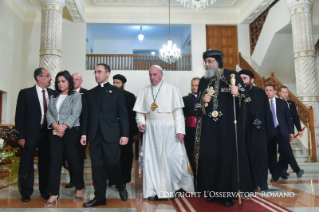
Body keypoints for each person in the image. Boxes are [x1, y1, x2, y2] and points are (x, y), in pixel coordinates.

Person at [195, 50, 253, 207]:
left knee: (226, 158)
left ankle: (227, 194)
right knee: (210, 157)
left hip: (227, 126)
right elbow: (196, 107)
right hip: (209, 127)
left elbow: (247, 100)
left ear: (219, 62)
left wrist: (238, 92)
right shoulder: (203, 81)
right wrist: (202, 100)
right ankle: (212, 191)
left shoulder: (232, 76)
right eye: (206, 62)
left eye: (210, 61)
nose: (207, 64)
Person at [133, 65, 194, 201]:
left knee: (175, 159)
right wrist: (140, 123)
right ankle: (155, 190)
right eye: (150, 75)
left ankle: (175, 186)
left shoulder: (172, 89)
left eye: (155, 75)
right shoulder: (144, 91)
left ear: (161, 75)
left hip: (170, 128)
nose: (152, 77)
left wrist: (180, 130)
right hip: (151, 129)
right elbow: (139, 112)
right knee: (152, 160)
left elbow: (178, 112)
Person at [80, 63, 129, 207]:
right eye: (95, 72)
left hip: (112, 135)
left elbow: (123, 115)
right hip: (95, 136)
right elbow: (86, 116)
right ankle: (99, 197)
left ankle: (120, 186)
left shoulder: (117, 92)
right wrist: (84, 134)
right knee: (97, 167)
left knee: (113, 164)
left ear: (107, 74)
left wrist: (125, 134)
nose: (96, 75)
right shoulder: (90, 93)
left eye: (99, 72)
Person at [44, 70, 85, 206]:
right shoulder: (53, 97)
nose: (60, 84)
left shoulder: (75, 96)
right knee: (55, 162)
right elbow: (49, 113)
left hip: (71, 131)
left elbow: (75, 113)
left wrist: (64, 127)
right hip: (55, 132)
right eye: (58, 82)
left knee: (73, 161)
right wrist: (56, 126)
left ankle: (79, 188)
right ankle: (54, 193)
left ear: (69, 82)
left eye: (63, 81)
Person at [15, 68, 53, 202]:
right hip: (29, 135)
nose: (50, 78)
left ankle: (45, 190)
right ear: (39, 77)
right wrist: (20, 136)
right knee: (26, 163)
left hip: (48, 135)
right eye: (48, 76)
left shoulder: (53, 93)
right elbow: (20, 116)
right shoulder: (25, 93)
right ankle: (26, 192)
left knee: (46, 163)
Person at [239, 69, 275, 191]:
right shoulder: (236, 93)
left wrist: (270, 132)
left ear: (252, 80)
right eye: (241, 78)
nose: (242, 81)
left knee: (261, 157)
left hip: (259, 131)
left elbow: (267, 112)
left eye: (245, 78)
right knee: (247, 159)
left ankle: (262, 183)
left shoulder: (260, 93)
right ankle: (251, 184)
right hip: (243, 132)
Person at [265, 85, 304, 181]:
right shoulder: (263, 103)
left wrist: (291, 132)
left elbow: (289, 119)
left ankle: (290, 171)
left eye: (270, 90)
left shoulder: (282, 103)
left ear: (275, 92)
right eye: (266, 90)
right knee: (271, 154)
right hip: (269, 131)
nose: (268, 92)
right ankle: (275, 174)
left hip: (281, 130)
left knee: (286, 151)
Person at [110, 74, 139, 187]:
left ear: (123, 84)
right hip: (112, 132)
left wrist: (135, 132)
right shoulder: (109, 95)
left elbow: (133, 115)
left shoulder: (130, 96)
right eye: (114, 82)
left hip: (127, 132)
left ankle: (124, 179)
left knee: (126, 157)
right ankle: (112, 179)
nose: (116, 85)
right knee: (112, 157)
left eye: (118, 83)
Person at [63, 73, 88, 189]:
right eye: (72, 80)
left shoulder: (87, 94)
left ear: (81, 81)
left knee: (79, 157)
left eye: (77, 79)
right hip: (68, 130)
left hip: (81, 131)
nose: (74, 82)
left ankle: (79, 181)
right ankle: (72, 180)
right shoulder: (65, 93)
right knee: (69, 156)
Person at [279, 86, 303, 179]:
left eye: (286, 92)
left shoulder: (291, 104)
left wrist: (299, 130)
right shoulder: (277, 103)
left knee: (284, 151)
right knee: (286, 150)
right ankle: (296, 170)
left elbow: (295, 117)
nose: (285, 94)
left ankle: (280, 172)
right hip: (280, 130)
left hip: (289, 130)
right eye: (283, 92)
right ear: (280, 93)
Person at [182, 77, 200, 173]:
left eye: (196, 85)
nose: (194, 87)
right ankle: (191, 170)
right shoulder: (185, 99)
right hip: (189, 130)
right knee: (190, 150)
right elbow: (181, 116)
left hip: (202, 130)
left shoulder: (205, 98)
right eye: (192, 85)